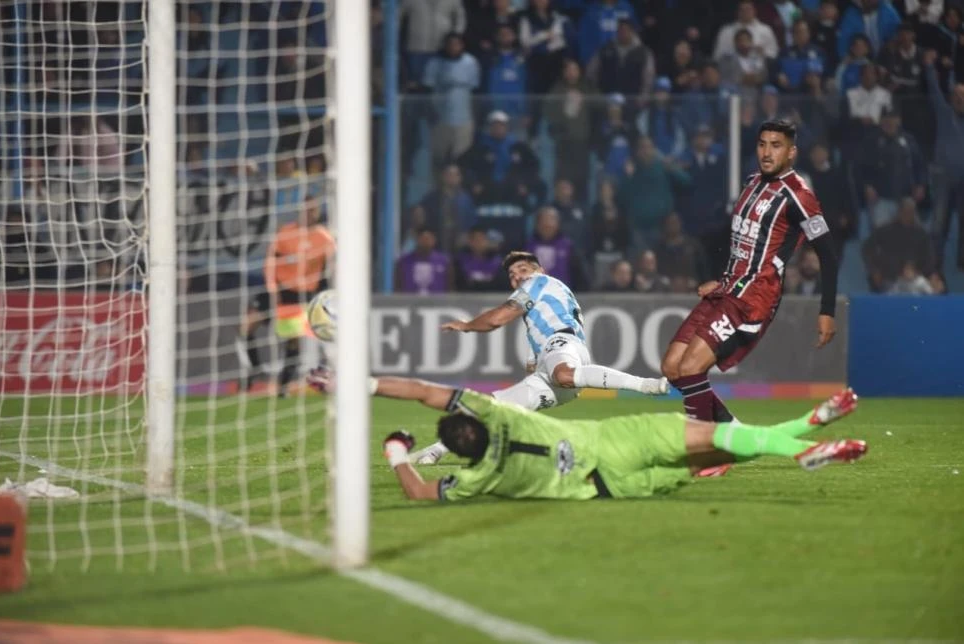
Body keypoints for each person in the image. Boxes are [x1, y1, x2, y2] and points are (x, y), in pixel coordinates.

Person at [308, 371, 866, 502]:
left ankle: (806, 428)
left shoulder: (478, 479)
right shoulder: (499, 415)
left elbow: (417, 492)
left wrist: (396, 451)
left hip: (610, 488)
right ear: (475, 420)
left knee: (716, 455)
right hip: (615, 442)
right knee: (721, 437)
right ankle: (805, 447)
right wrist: (361, 382)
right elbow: (425, 391)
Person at [660, 119, 839, 442]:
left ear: (791, 152)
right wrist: (723, 279)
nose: (767, 152)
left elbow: (828, 254)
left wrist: (827, 310)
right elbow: (744, 243)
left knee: (690, 368)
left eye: (776, 146)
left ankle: (704, 449)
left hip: (754, 298)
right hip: (728, 289)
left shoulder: (799, 195)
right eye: (762, 144)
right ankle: (733, 432)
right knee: (673, 367)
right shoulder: (751, 182)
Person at [411, 250, 668, 465]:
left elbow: (498, 318)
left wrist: (467, 325)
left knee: (563, 374)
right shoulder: (543, 301)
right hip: (556, 366)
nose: (517, 277)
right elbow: (536, 350)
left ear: (539, 270)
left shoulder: (537, 283)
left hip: (563, 346)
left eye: (522, 270)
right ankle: (437, 450)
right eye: (512, 275)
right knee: (494, 407)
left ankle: (645, 384)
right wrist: (532, 367)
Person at [234, 196, 335, 395]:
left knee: (292, 339)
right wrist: (273, 290)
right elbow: (270, 263)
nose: (309, 213)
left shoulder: (324, 238)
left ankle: (283, 385)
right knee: (246, 325)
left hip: (302, 294)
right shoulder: (285, 233)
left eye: (313, 210)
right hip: (279, 289)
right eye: (306, 209)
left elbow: (332, 269)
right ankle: (252, 369)